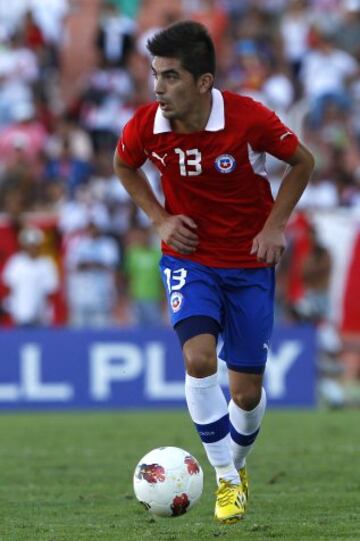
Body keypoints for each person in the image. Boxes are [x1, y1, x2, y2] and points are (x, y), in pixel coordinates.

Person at [113, 21, 314, 524]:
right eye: (156, 75)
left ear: (203, 82)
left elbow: (303, 162)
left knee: (246, 392)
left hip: (249, 262)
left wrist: (274, 226)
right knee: (199, 359)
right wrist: (159, 218)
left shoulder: (247, 119)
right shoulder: (145, 125)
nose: (159, 88)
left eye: (172, 76)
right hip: (190, 258)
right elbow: (123, 166)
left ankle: (239, 465)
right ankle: (224, 477)